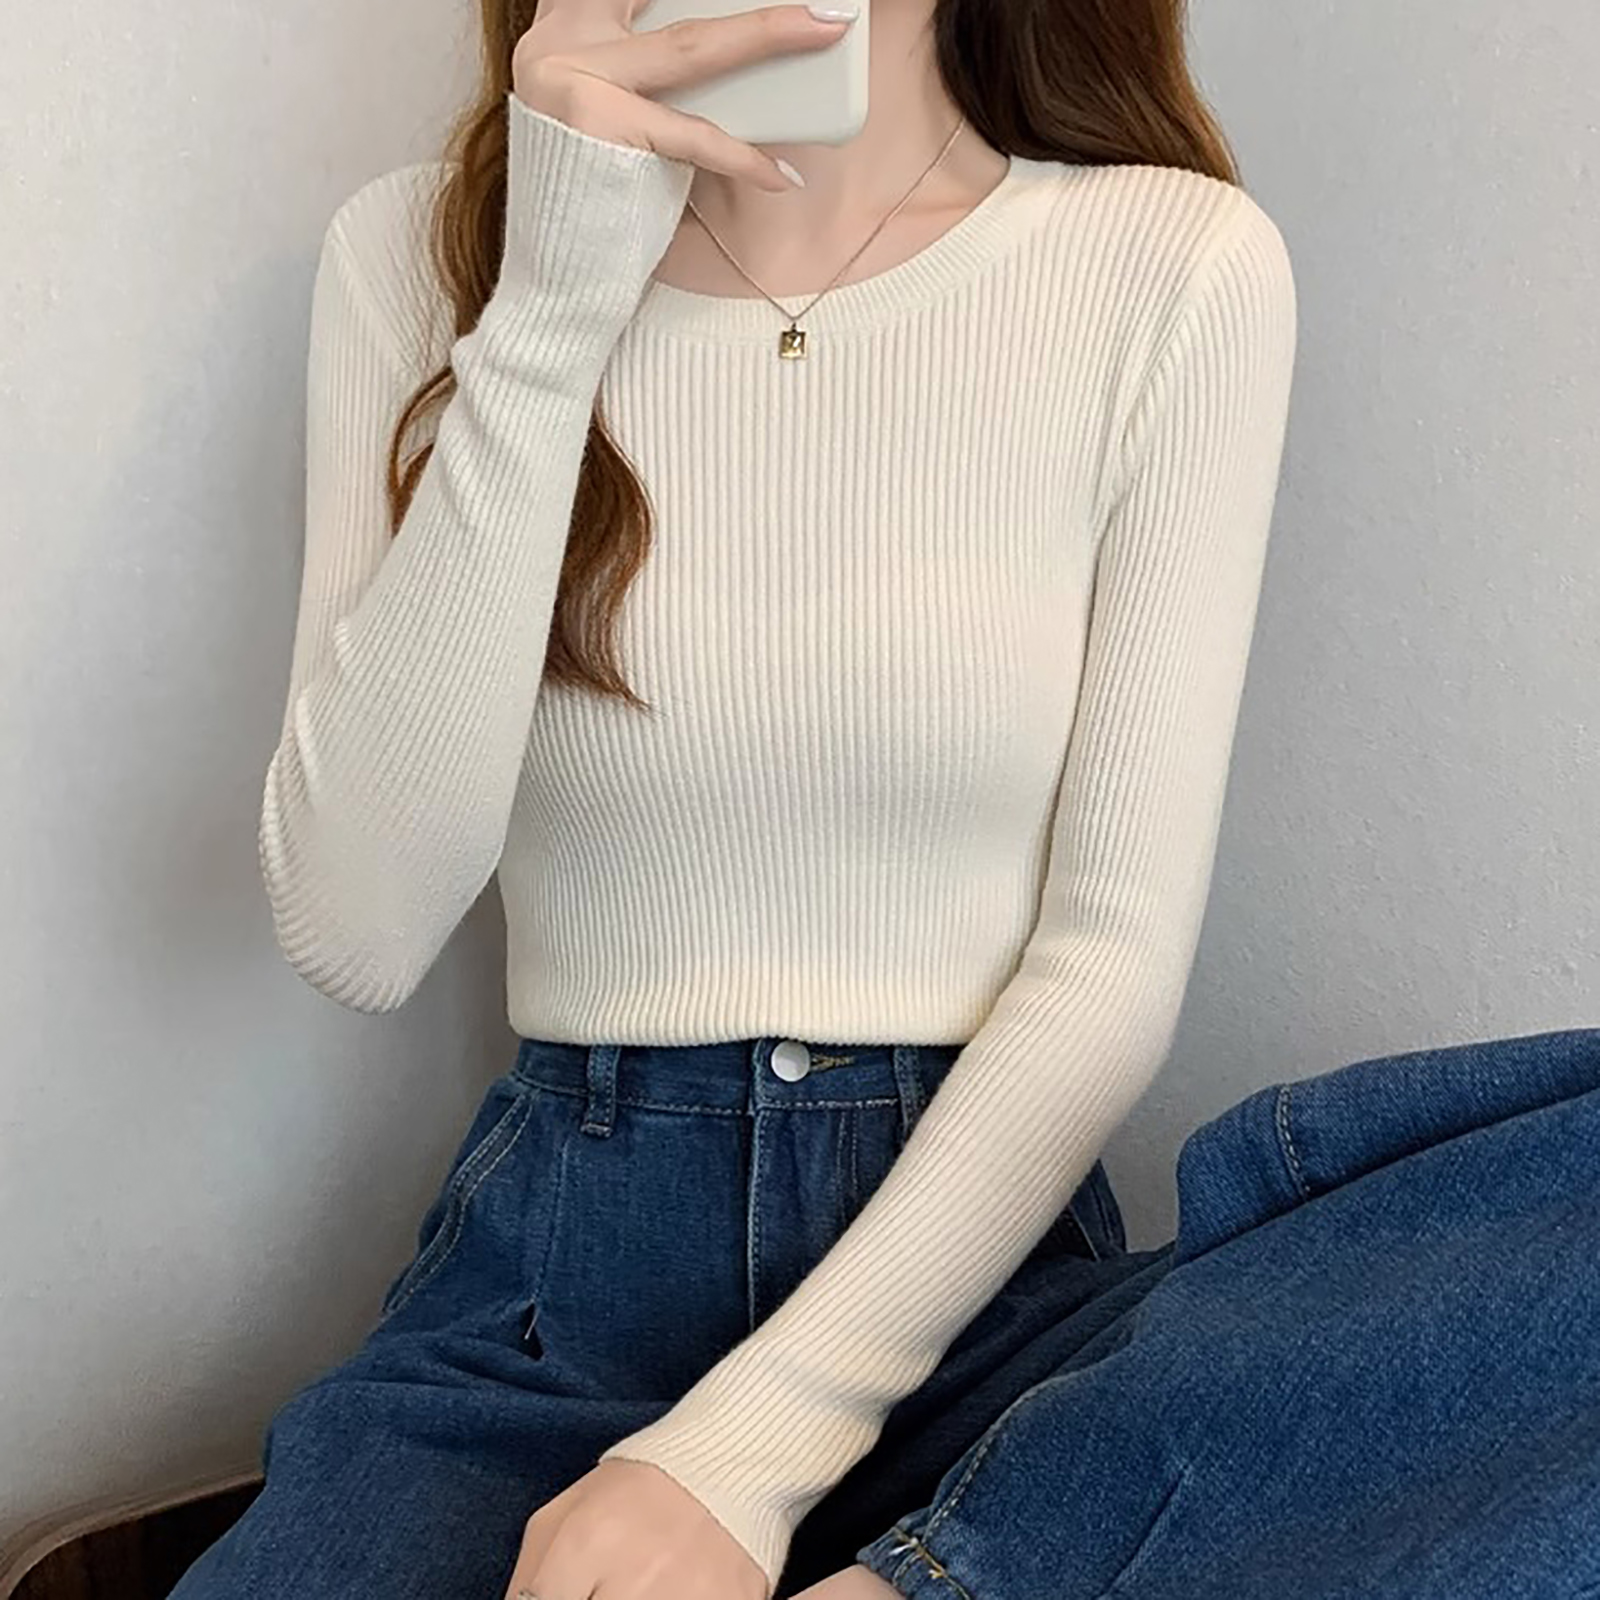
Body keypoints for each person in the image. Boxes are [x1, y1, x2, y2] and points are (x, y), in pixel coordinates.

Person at [170, 0, 1298, 1594]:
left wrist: (744, 1456)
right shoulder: (423, 257)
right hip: (556, 1296)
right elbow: (359, 927)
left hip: (978, 1290)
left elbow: (1111, 965)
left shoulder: (1171, 262)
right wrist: (555, 292)